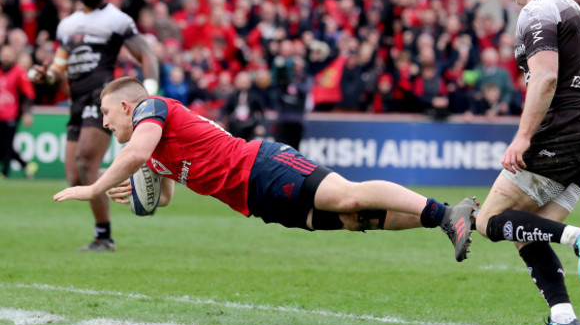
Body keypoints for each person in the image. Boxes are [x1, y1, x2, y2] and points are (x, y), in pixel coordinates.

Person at [53, 77, 479, 263]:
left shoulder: (151, 108)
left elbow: (131, 154)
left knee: (347, 195)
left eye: (108, 114)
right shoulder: (150, 149)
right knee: (353, 218)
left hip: (261, 165)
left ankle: (446, 217)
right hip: (256, 200)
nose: (106, 123)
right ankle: (448, 216)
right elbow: (162, 197)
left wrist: (95, 187)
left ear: (127, 106)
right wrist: (137, 192)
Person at [474, 0, 580, 325]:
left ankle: (576, 237)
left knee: (487, 221)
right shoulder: (579, 12)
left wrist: (523, 137)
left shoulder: (537, 10)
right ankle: (564, 319)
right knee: (527, 232)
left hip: (563, 132)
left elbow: (547, 77)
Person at [29, 0, 159, 252]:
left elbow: (147, 54)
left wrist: (149, 92)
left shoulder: (117, 20)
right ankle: (133, 182)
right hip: (76, 100)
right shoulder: (67, 25)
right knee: (75, 175)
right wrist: (46, 75)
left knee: (87, 162)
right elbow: (59, 69)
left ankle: (104, 236)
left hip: (100, 98)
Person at [0, 45, 36, 178]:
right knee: (3, 146)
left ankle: (5, 173)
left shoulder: (19, 72)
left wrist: (27, 113)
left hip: (11, 114)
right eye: (4, 53)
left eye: (9, 54)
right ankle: (26, 165)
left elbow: (29, 94)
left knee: (8, 144)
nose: (6, 56)